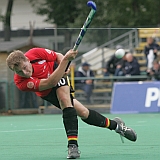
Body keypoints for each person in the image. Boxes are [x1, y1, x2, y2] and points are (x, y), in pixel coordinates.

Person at [6, 48, 137, 159]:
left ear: (28, 60)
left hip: (57, 73)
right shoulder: (20, 82)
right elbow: (50, 83)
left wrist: (64, 62)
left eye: (24, 67)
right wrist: (66, 61)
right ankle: (117, 126)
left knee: (64, 99)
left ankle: (72, 146)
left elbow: (57, 56)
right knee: (84, 113)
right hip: (47, 90)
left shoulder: (35, 53)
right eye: (19, 72)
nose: (24, 72)